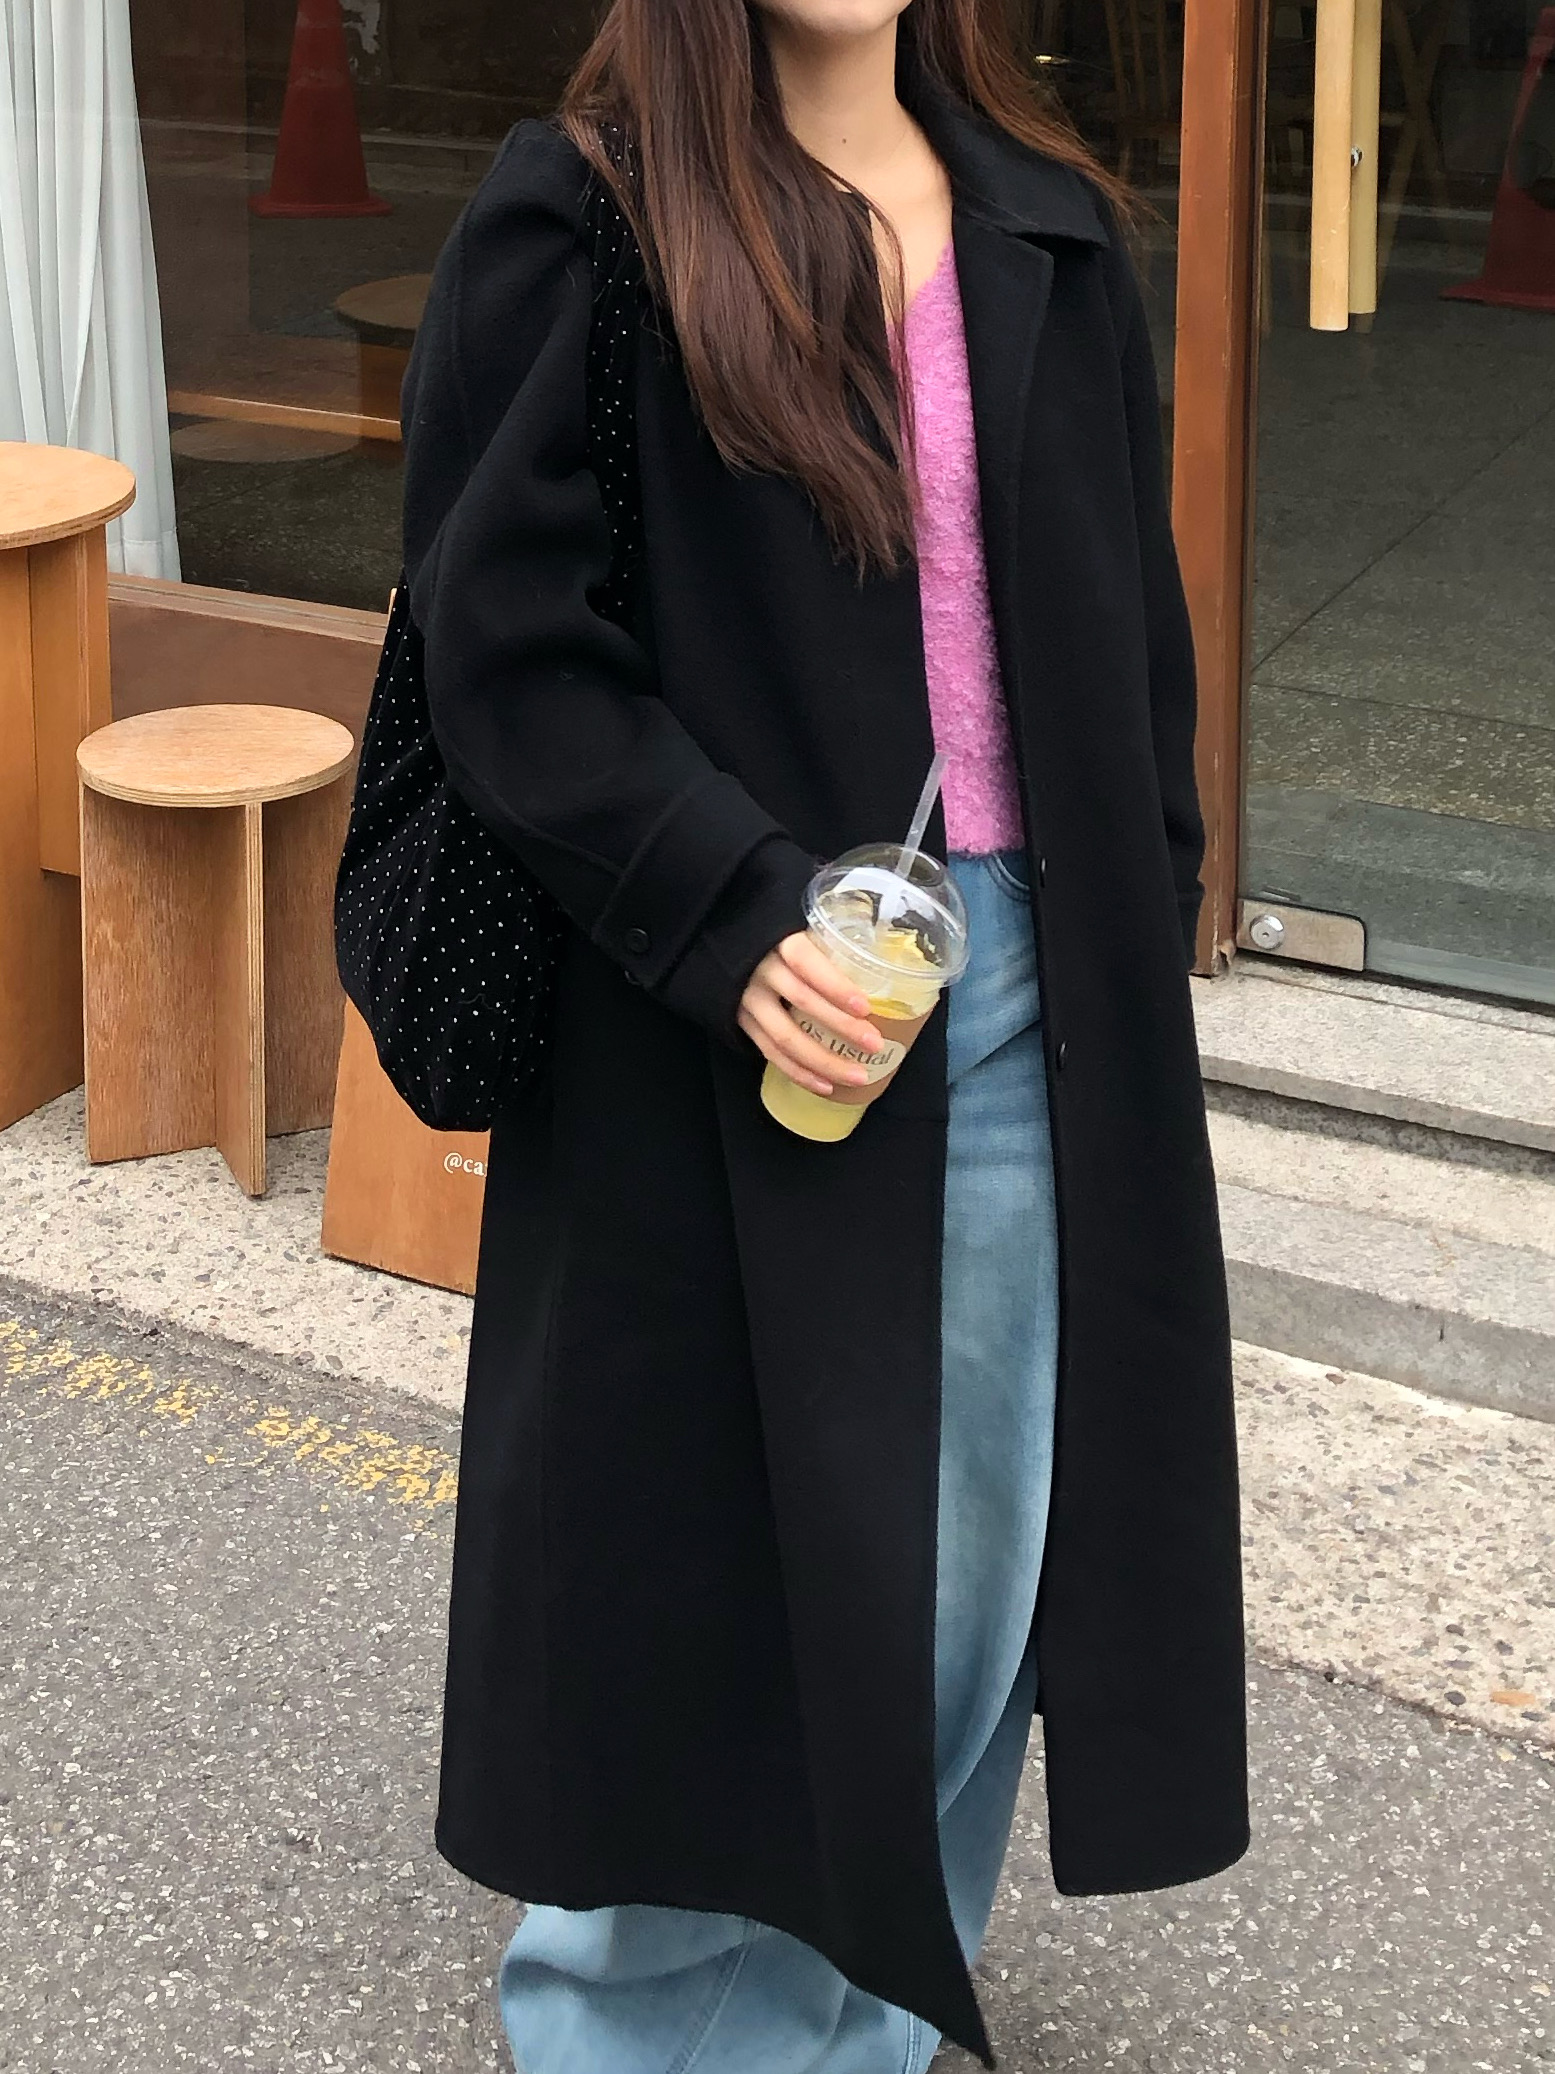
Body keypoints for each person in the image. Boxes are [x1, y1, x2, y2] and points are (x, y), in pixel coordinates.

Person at [400, 2, 1249, 2067]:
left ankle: (857, 2026)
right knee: (715, 1598)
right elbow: (502, 639)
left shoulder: (1046, 227)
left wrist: (1139, 935)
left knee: (972, 1574)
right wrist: (722, 901)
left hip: (1028, 999)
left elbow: (1132, 642)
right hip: (722, 1008)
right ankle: (635, 2036)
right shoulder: (591, 218)